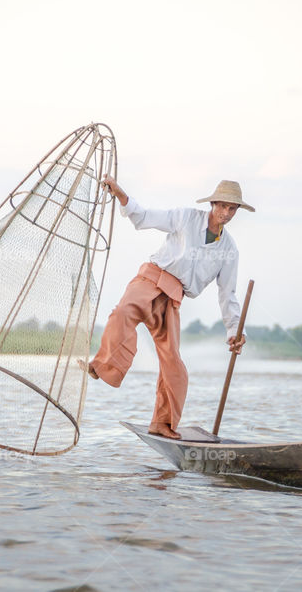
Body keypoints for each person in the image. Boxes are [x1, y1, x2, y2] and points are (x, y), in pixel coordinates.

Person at [84, 178, 253, 439]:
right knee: (123, 313)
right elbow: (145, 217)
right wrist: (121, 195)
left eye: (232, 209)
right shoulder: (186, 218)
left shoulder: (229, 249)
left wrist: (234, 329)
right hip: (152, 278)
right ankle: (102, 364)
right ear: (213, 204)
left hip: (173, 297)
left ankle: (162, 423)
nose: (226, 214)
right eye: (223, 207)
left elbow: (227, 293)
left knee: (174, 366)